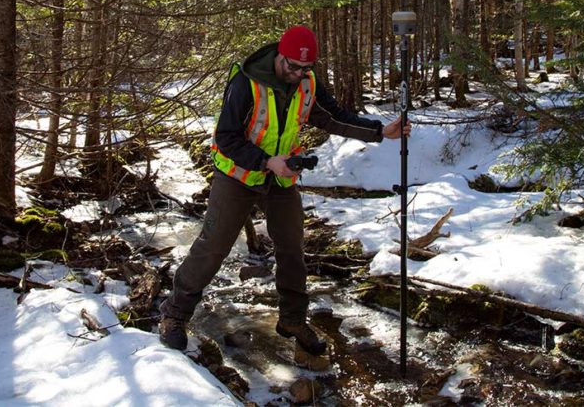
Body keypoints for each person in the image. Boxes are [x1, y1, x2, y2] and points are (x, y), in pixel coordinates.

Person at [159, 25, 409, 354]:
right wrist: (265, 161)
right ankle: (175, 314)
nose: (298, 73)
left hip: (281, 177)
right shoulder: (246, 82)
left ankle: (292, 318)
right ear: (280, 56)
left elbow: (333, 117)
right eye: (293, 66)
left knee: (292, 248)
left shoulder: (308, 82)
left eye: (305, 68)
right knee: (214, 246)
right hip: (238, 175)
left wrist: (380, 131)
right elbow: (226, 137)